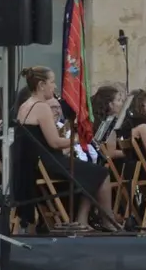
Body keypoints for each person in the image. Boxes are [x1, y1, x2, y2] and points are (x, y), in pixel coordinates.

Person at [11, 66, 117, 231]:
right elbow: (54, 143)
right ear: (41, 85)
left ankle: (82, 220)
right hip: (47, 163)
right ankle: (108, 221)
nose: (54, 87)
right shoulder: (42, 106)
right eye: (52, 82)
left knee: (90, 172)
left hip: (31, 164)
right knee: (101, 173)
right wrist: (78, 140)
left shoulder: (25, 105)